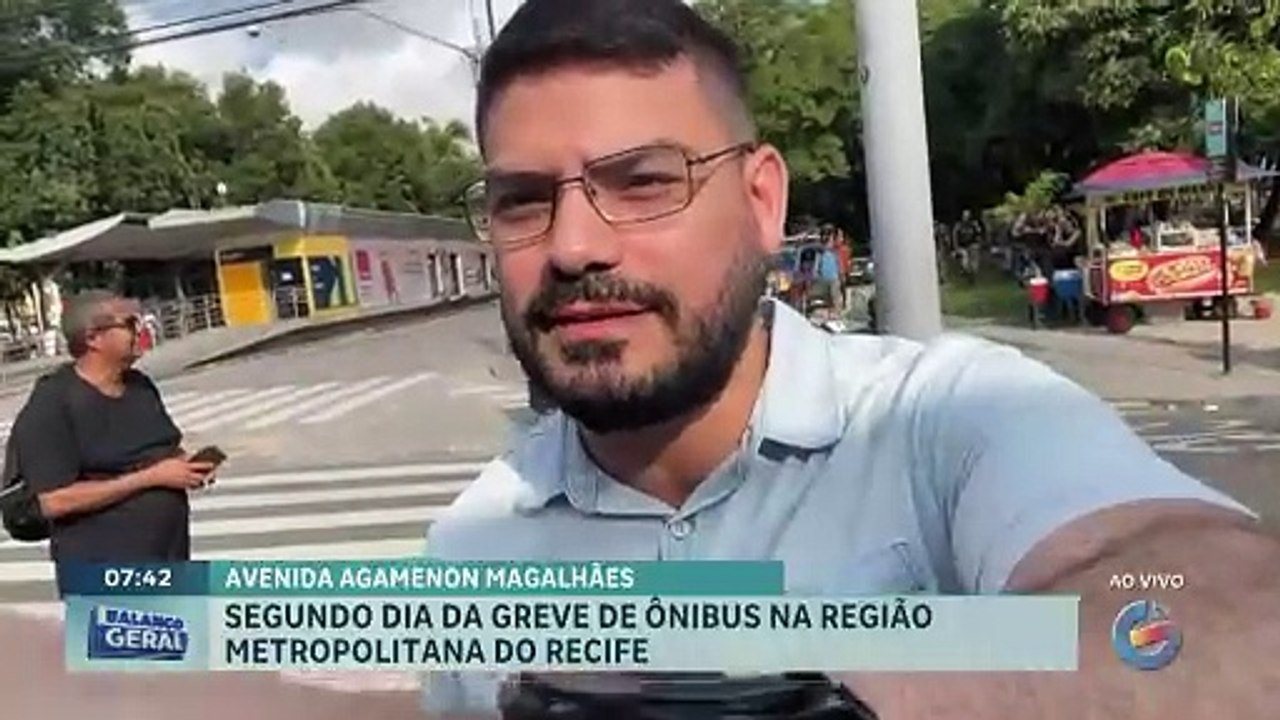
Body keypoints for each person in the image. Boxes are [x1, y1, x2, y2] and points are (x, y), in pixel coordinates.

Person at [430, 0, 1279, 715]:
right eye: (522, 201)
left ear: (762, 201)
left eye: (645, 182)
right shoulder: (475, 547)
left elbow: (1218, 612)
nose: (574, 246)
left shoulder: (950, 416)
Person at [6, 290, 216, 595]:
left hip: (167, 563)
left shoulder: (140, 386)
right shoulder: (53, 404)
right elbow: (53, 500)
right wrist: (151, 477)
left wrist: (186, 466)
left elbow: (160, 448)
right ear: (94, 338)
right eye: (129, 323)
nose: (140, 329)